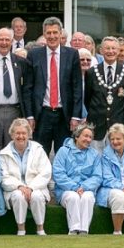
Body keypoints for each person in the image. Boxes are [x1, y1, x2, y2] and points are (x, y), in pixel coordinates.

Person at [25, 17, 83, 156]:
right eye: (49, 33)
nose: (52, 36)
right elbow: (28, 88)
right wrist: (30, 115)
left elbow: (77, 88)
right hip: (42, 114)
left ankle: (61, 178)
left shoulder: (72, 54)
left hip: (64, 115)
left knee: (64, 154)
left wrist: (75, 116)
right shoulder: (34, 55)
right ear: (44, 34)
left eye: (55, 32)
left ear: (60, 33)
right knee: (38, 155)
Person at [0, 118, 51, 235]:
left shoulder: (38, 150)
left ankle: (40, 229)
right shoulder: (3, 154)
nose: (20, 136)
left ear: (29, 134)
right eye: (17, 133)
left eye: (24, 133)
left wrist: (31, 187)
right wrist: (20, 186)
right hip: (14, 189)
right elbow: (3, 177)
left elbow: (45, 173)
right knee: (18, 196)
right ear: (12, 135)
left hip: (36, 187)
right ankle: (21, 229)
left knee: (36, 196)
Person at [84, 36, 124, 152]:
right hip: (96, 125)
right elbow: (87, 99)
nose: (110, 51)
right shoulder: (91, 72)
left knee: (117, 160)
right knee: (96, 159)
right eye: (107, 48)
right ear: (101, 50)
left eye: (113, 48)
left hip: (118, 126)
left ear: (118, 51)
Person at [52, 123, 102, 235]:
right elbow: (58, 174)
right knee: (73, 197)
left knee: (88, 197)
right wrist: (74, 187)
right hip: (66, 190)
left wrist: (83, 187)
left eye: (90, 137)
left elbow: (97, 176)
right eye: (85, 136)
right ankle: (74, 230)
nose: (88, 139)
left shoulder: (94, 154)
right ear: (76, 136)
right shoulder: (63, 151)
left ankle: (84, 230)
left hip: (86, 190)